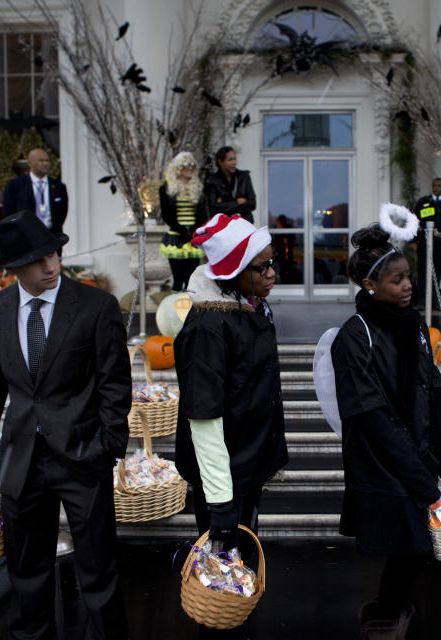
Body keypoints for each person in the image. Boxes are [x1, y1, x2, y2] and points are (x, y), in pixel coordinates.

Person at [0, 212, 130, 639]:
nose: (51, 266)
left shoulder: (96, 306)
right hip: (22, 460)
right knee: (27, 572)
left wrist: (107, 445)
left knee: (97, 570)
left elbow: (115, 383)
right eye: (38, 260)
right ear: (14, 267)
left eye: (54, 253)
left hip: (82, 454)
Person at [331, 222, 441, 638]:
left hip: (417, 458)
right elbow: (373, 418)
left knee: (413, 551)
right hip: (384, 465)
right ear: (369, 284)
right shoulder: (354, 338)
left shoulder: (411, 325)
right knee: (410, 546)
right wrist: (420, 479)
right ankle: (382, 622)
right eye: (397, 280)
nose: (408, 286)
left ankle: (387, 614)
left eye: (408, 276)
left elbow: (431, 394)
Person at [173, 213, 287, 634]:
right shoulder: (209, 327)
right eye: (262, 267)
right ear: (234, 271)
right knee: (221, 579)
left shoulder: (251, 305)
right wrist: (221, 503)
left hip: (247, 459)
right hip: (222, 475)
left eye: (275, 262)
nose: (273, 273)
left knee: (240, 570)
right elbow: (204, 419)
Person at [159, 151, 207, 290]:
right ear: (178, 167)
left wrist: (192, 232)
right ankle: (175, 310)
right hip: (176, 238)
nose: (190, 167)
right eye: (186, 164)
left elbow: (202, 214)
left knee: (191, 278)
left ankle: (191, 309)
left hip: (192, 237)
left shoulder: (198, 188)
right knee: (178, 279)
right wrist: (181, 231)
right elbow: (166, 215)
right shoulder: (166, 188)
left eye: (192, 164)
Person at [2, 148, 69, 236]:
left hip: (52, 238)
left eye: (47, 161)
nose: (45, 163)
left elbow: (62, 213)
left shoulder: (59, 186)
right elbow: (9, 214)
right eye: (41, 161)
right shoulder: (15, 185)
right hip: (26, 239)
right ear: (30, 163)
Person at [412, 178, 441, 307]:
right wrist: (413, 241)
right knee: (423, 272)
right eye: (434, 186)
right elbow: (415, 222)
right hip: (425, 242)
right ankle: (422, 301)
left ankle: (434, 300)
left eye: (439, 186)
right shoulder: (424, 202)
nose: (436, 188)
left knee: (437, 272)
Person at [206, 146, 256, 223]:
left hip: (244, 223)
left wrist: (224, 203)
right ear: (220, 162)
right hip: (223, 225)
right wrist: (238, 202)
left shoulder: (244, 177)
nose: (234, 162)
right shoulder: (213, 180)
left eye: (235, 159)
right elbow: (214, 208)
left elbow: (252, 204)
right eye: (230, 159)